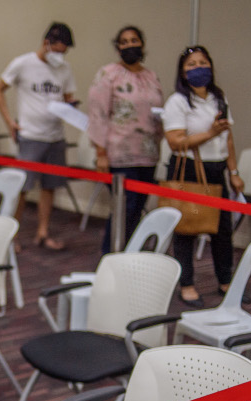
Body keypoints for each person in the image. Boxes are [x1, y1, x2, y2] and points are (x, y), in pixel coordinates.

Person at [162, 45, 244, 308]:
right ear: (183, 72)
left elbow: (228, 138)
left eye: (203, 63)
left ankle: (225, 281)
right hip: (187, 169)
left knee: (222, 230)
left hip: (216, 169)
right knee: (186, 229)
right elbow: (176, 141)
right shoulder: (177, 101)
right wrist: (209, 133)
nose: (198, 68)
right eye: (191, 65)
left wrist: (234, 171)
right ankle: (186, 284)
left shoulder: (219, 98)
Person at [0, 22, 78, 251]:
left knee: (49, 186)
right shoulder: (23, 63)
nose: (60, 56)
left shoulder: (64, 69)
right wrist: (9, 121)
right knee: (22, 187)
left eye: (64, 52)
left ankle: (42, 232)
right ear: (46, 43)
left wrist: (70, 106)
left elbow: (69, 96)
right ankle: (13, 234)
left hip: (55, 136)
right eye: (58, 50)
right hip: (30, 135)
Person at [87, 25, 164, 253]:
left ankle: (129, 255)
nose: (130, 45)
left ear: (142, 44)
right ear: (118, 46)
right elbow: (98, 114)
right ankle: (108, 257)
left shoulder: (151, 76)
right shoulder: (108, 74)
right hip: (119, 154)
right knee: (124, 210)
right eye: (125, 41)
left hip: (148, 155)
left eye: (134, 40)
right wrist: (100, 153)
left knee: (138, 208)